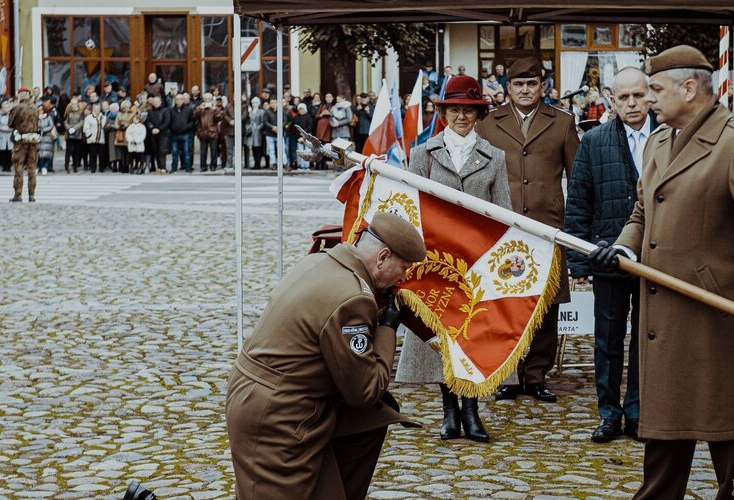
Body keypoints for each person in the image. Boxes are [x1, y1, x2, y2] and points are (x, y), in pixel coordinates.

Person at [588, 45, 734, 500]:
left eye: (655, 89)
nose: (648, 99)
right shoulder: (659, 141)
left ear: (689, 88)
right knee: (664, 444)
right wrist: (621, 248)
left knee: (731, 448)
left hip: (719, 322)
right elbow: (642, 212)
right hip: (667, 319)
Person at [225, 213, 426, 500]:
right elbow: (366, 391)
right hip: (278, 418)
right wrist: (387, 328)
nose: (404, 277)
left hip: (267, 399)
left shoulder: (320, 260)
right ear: (382, 257)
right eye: (403, 267)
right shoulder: (353, 297)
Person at [395, 75, 511, 444]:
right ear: (443, 112)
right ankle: (449, 410)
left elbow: (504, 212)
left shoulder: (495, 157)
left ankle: (473, 410)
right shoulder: (423, 155)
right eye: (454, 110)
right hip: (437, 261)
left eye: (468, 111)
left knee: (473, 334)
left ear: (478, 115)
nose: (461, 117)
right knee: (443, 335)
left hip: (477, 263)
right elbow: (412, 207)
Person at [476, 56, 579, 403]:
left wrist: (572, 226)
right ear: (507, 89)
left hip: (547, 227)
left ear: (542, 87)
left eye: (531, 84)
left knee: (546, 304)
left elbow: (576, 177)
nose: (525, 90)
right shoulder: (488, 124)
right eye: (518, 84)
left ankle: (535, 374)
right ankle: (506, 372)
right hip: (502, 228)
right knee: (503, 301)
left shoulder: (562, 123)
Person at [564, 66, 655, 444]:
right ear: (612, 100)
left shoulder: (668, 139)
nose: (632, 103)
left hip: (654, 260)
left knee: (645, 338)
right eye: (624, 97)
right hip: (607, 255)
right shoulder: (595, 141)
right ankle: (608, 412)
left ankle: (637, 410)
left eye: (638, 95)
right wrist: (580, 260)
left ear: (650, 96)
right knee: (607, 338)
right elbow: (579, 202)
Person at [8, 88, 41, 202]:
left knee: (19, 168)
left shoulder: (17, 108)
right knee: (32, 168)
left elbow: (10, 123)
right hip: (32, 140)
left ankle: (18, 194)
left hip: (21, 141)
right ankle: (31, 195)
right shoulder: (35, 108)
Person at [194, 93, 222, 171]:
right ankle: (203, 166)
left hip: (212, 132)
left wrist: (215, 110)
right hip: (202, 132)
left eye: (209, 99)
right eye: (206, 99)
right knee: (203, 152)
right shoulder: (199, 108)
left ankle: (213, 166)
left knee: (214, 151)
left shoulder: (215, 108)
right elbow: (195, 117)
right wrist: (200, 109)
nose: (207, 101)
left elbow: (219, 119)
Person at [145, 97, 170, 174]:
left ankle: (163, 167)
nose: (155, 103)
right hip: (153, 134)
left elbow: (167, 121)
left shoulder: (165, 110)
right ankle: (159, 167)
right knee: (156, 151)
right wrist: (152, 128)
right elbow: (148, 121)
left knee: (162, 151)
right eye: (154, 102)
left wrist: (159, 129)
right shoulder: (150, 111)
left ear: (160, 102)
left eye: (157, 101)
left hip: (163, 134)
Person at [83, 103, 108, 173]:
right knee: (93, 154)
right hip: (92, 139)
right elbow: (86, 128)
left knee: (101, 154)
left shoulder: (104, 117)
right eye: (96, 109)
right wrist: (89, 135)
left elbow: (105, 127)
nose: (97, 110)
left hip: (101, 138)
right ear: (93, 109)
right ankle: (93, 167)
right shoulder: (88, 118)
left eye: (98, 108)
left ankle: (101, 167)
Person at [37, 102, 56, 175]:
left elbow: (51, 125)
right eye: (39, 110)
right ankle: (40, 167)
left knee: (47, 153)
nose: (40, 111)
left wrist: (43, 130)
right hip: (39, 137)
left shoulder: (48, 117)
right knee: (39, 154)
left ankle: (45, 167)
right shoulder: (36, 118)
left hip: (47, 137)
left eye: (41, 110)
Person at [0, 101, 14, 172]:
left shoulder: (12, 115)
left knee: (9, 152)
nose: (6, 109)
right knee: (2, 152)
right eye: (4, 107)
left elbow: (14, 123)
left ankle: (8, 166)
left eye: (7, 107)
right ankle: (3, 166)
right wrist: (1, 128)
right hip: (2, 135)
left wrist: (10, 128)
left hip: (10, 135)